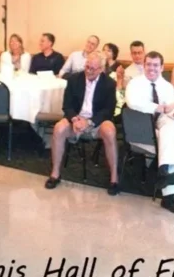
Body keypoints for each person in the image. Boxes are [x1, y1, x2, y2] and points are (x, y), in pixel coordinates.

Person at [125, 50, 174, 214]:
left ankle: (163, 173)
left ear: (161, 67)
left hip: (160, 126)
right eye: (148, 64)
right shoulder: (135, 83)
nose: (151, 68)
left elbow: (170, 108)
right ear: (144, 65)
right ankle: (169, 195)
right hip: (140, 129)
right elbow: (132, 103)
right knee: (171, 140)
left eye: (155, 65)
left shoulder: (166, 86)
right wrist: (157, 107)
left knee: (171, 124)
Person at [46, 51, 120, 193]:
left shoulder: (109, 84)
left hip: (96, 122)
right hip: (76, 119)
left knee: (110, 131)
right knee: (58, 129)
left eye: (93, 68)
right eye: (87, 67)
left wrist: (90, 122)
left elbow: (108, 110)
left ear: (101, 69)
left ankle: (114, 179)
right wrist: (74, 119)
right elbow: (66, 106)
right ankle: (55, 174)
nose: (88, 71)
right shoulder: (74, 79)